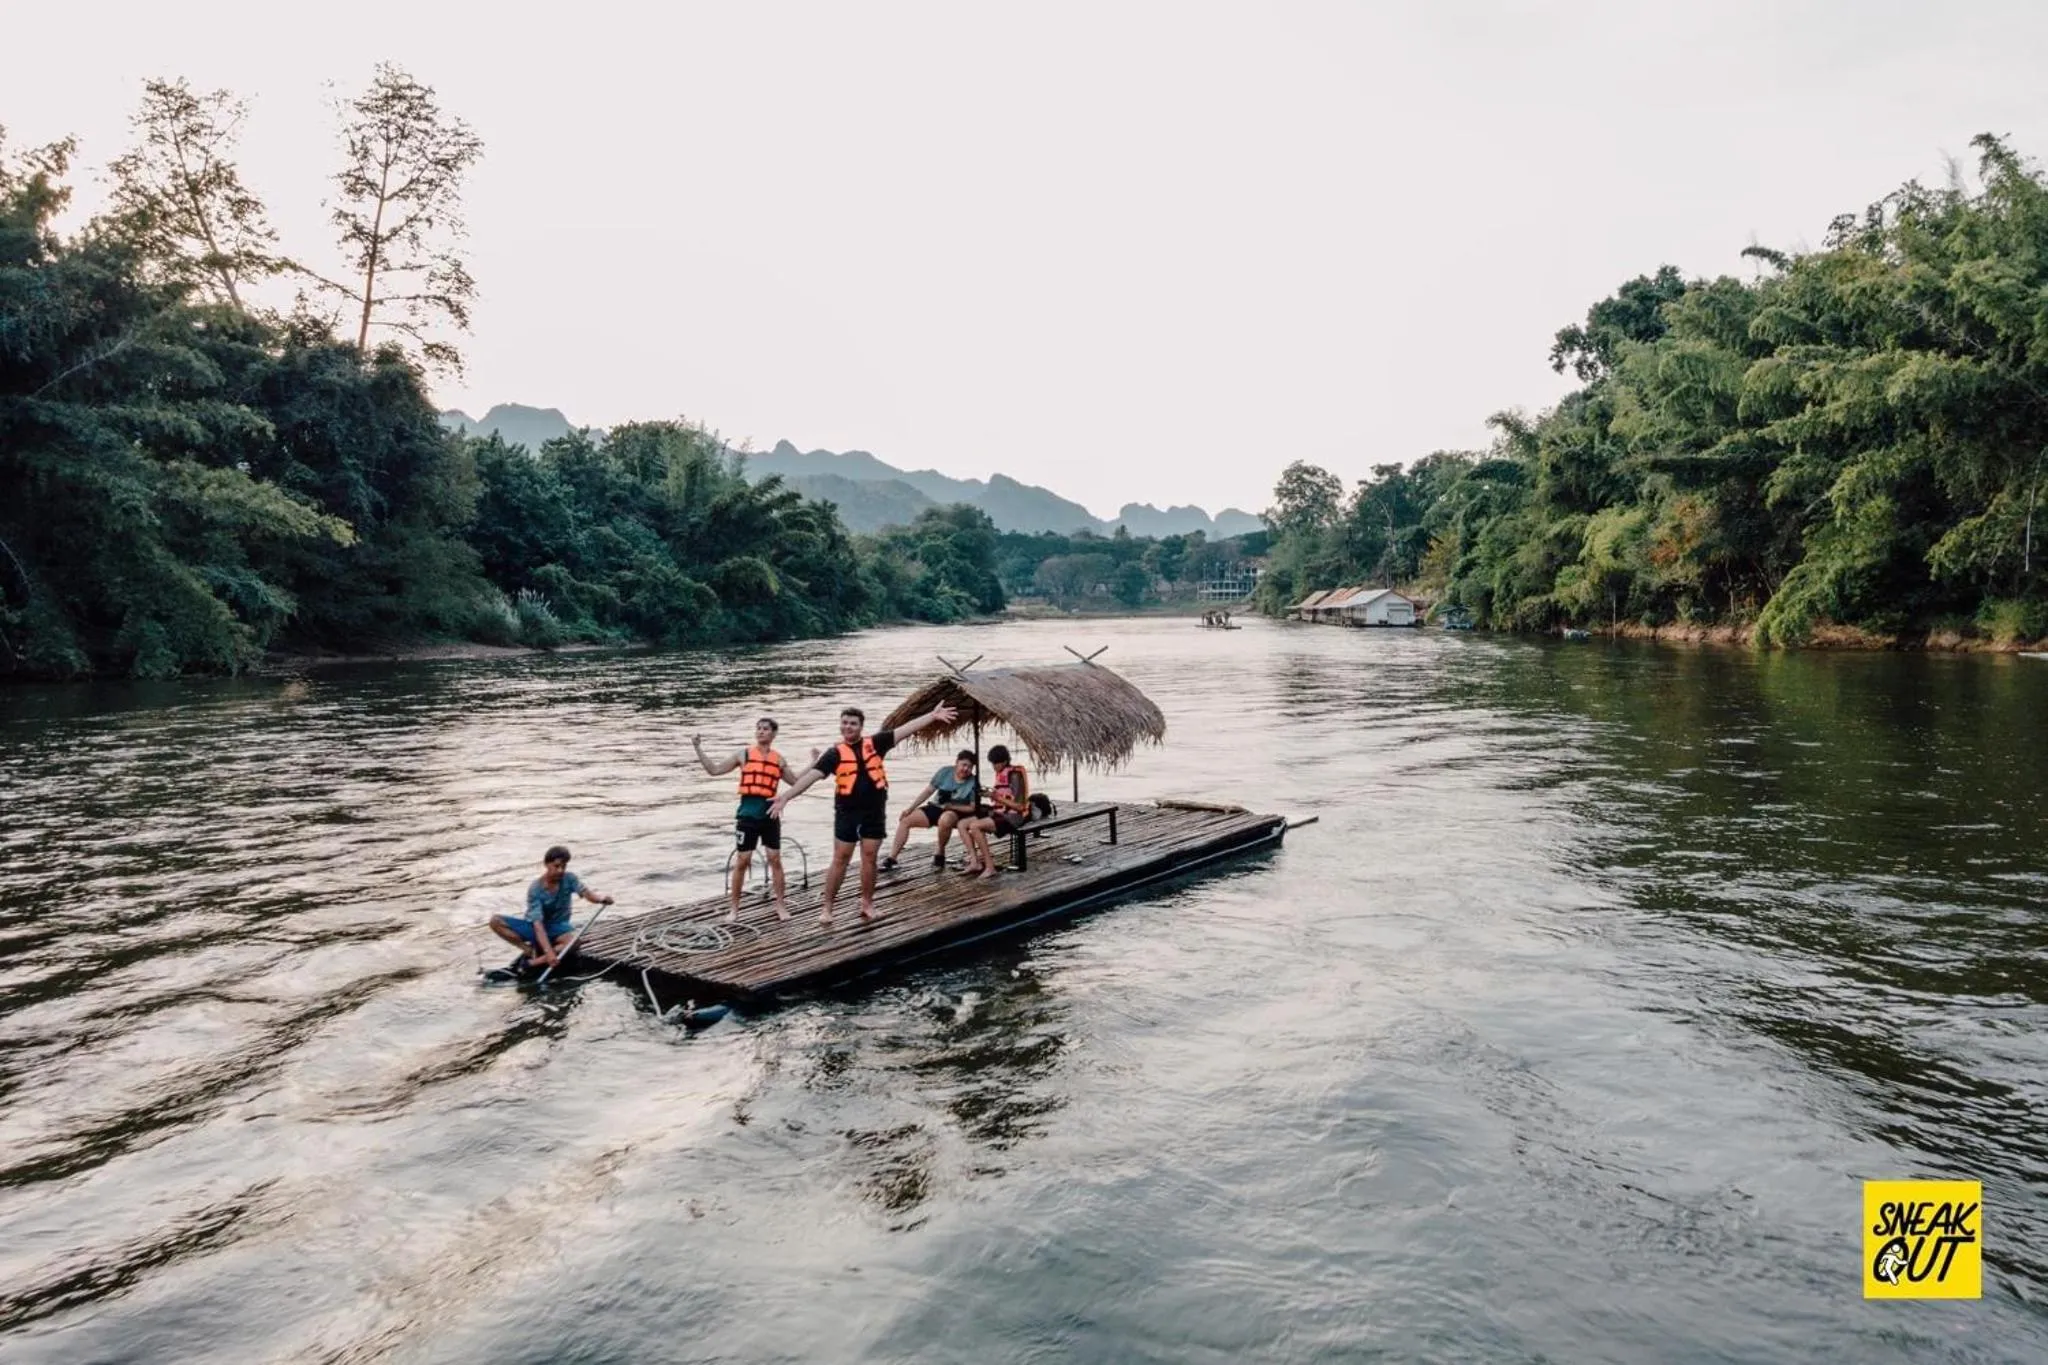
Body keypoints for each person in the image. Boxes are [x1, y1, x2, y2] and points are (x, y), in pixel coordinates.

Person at [769, 700, 958, 925]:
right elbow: (810, 778)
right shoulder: (833, 754)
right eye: (845, 723)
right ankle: (827, 907)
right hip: (847, 814)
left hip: (874, 813)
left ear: (861, 726)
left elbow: (906, 730)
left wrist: (932, 716)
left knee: (869, 857)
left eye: (853, 724)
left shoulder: (877, 743)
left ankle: (867, 903)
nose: (848, 727)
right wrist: (786, 797)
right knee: (841, 858)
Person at [693, 719, 806, 922]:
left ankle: (780, 904)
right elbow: (714, 770)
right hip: (747, 815)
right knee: (742, 861)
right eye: (759, 729)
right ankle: (734, 909)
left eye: (766, 729)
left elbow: (796, 783)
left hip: (770, 815)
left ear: (773, 734)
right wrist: (697, 748)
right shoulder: (743, 754)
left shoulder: (778, 760)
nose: (761, 732)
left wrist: (815, 763)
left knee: (775, 859)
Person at [489, 845, 613, 971]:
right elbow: (537, 924)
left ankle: (534, 962)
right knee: (495, 921)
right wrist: (548, 952)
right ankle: (528, 950)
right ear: (547, 865)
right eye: (556, 866)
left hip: (559, 927)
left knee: (573, 942)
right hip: (536, 927)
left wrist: (601, 899)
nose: (560, 870)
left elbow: (587, 893)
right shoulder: (535, 888)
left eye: (563, 867)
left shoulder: (569, 878)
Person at [881, 749, 981, 871]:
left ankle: (940, 851)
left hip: (956, 811)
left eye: (970, 767)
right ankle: (892, 857)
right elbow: (928, 791)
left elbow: (972, 807)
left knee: (945, 819)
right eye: (963, 765)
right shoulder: (945, 772)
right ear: (957, 763)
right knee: (906, 820)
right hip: (936, 806)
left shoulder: (973, 782)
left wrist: (951, 806)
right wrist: (910, 808)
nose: (966, 769)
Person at [964, 744, 1033, 880]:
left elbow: (1019, 806)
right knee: (965, 820)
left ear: (1005, 761)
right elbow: (1001, 797)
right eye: (992, 763)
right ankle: (974, 858)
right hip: (1000, 813)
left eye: (996, 763)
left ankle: (990, 867)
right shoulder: (1001, 773)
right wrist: (988, 795)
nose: (994, 766)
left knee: (975, 826)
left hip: (1013, 817)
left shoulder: (1014, 775)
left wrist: (997, 797)